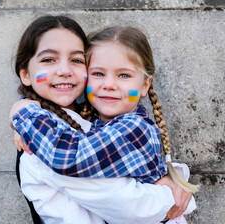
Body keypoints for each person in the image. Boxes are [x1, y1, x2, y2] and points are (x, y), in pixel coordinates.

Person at [10, 15, 195, 224]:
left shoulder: (129, 126)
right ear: (25, 74)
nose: (109, 85)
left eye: (76, 60)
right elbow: (133, 204)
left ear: (145, 85)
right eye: (48, 59)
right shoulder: (40, 142)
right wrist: (23, 111)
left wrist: (23, 113)